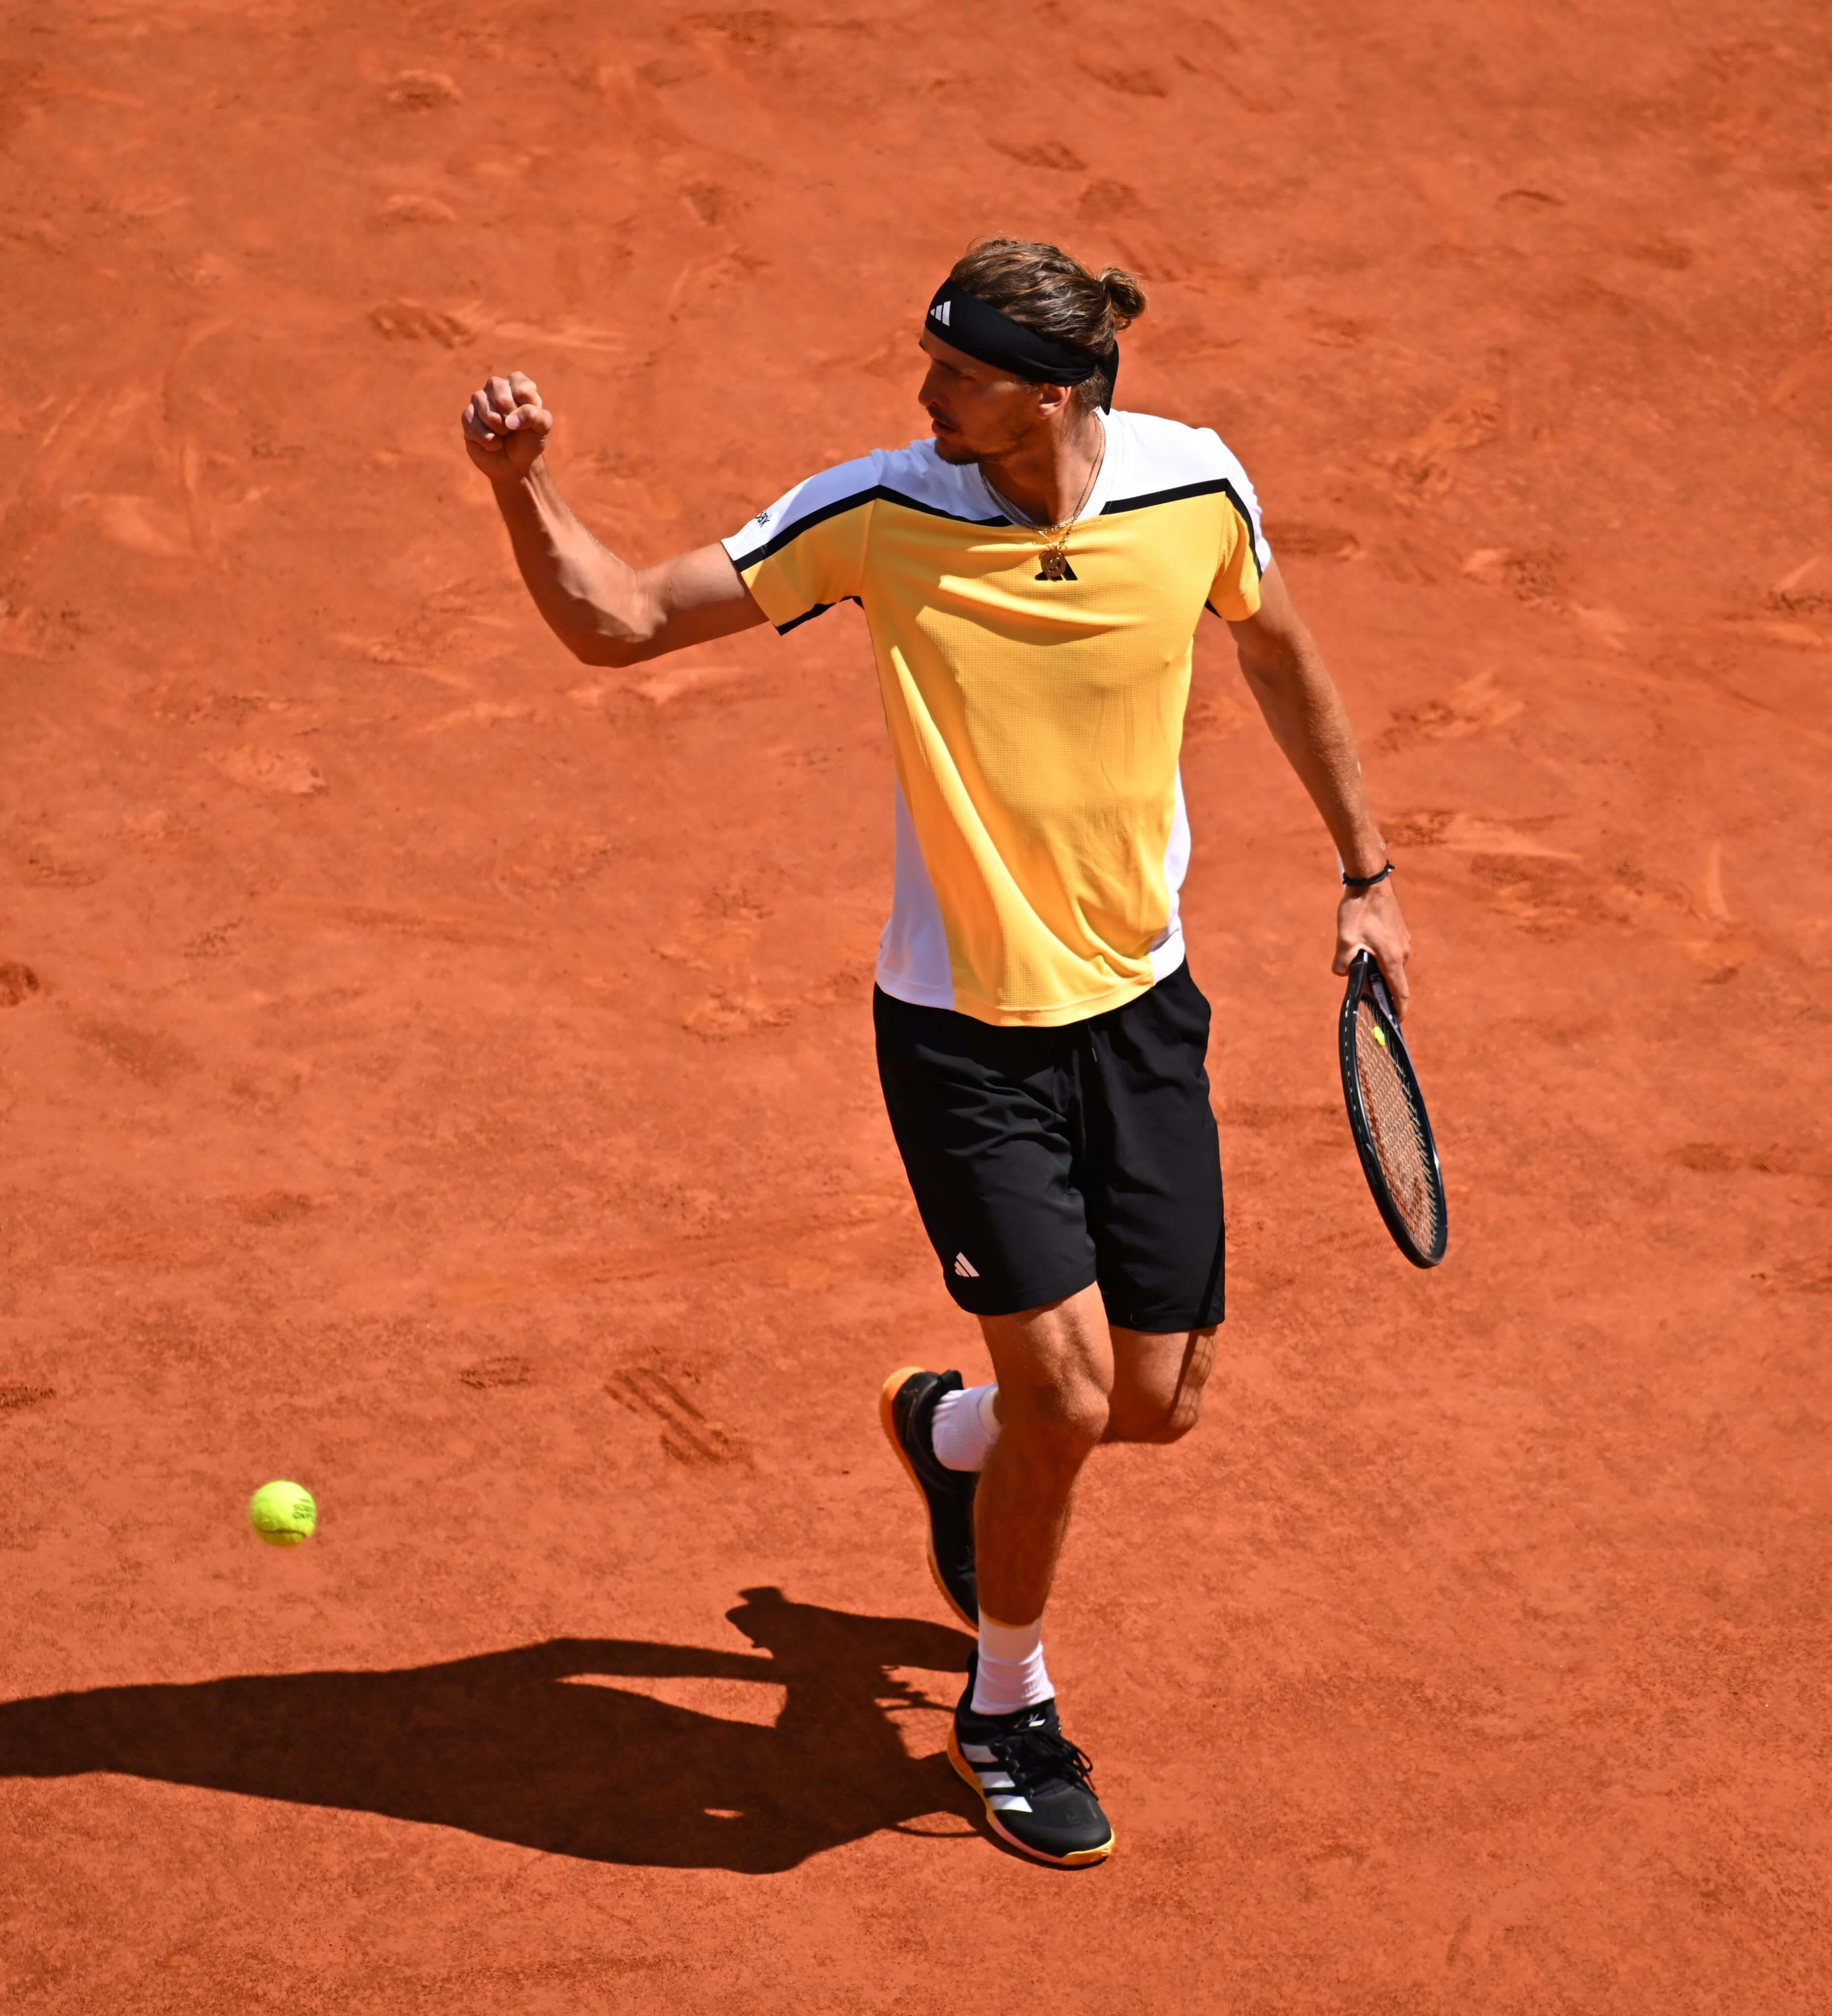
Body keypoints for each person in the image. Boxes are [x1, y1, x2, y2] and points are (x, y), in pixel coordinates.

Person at [461, 239, 1412, 1869]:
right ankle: (1008, 1703)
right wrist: (521, 489)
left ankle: (947, 1438)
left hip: (1142, 1006)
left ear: (1057, 390)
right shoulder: (879, 514)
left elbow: (1274, 649)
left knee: (1159, 1403)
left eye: (959, 375)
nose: (925, 395)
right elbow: (621, 623)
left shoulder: (1195, 491)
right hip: (964, 1032)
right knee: (1067, 1388)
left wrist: (1370, 873)